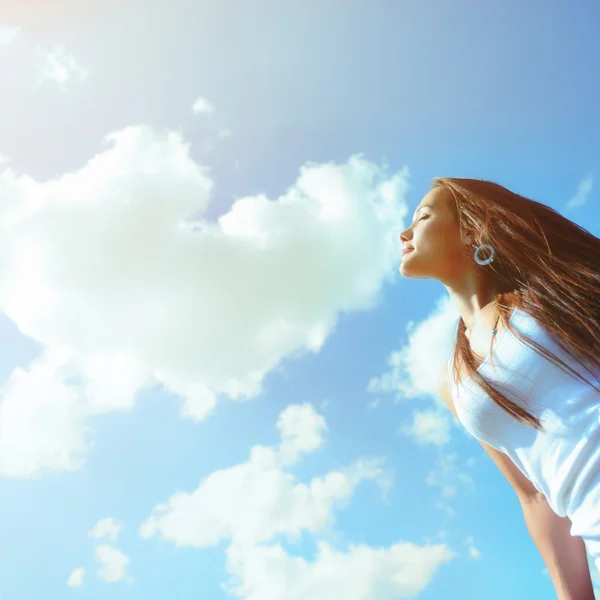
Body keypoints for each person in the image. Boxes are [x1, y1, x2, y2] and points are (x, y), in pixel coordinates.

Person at [398, 177, 600, 600]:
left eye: (423, 217)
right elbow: (533, 496)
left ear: (471, 230)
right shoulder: (453, 382)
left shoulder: (547, 295)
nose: (405, 232)